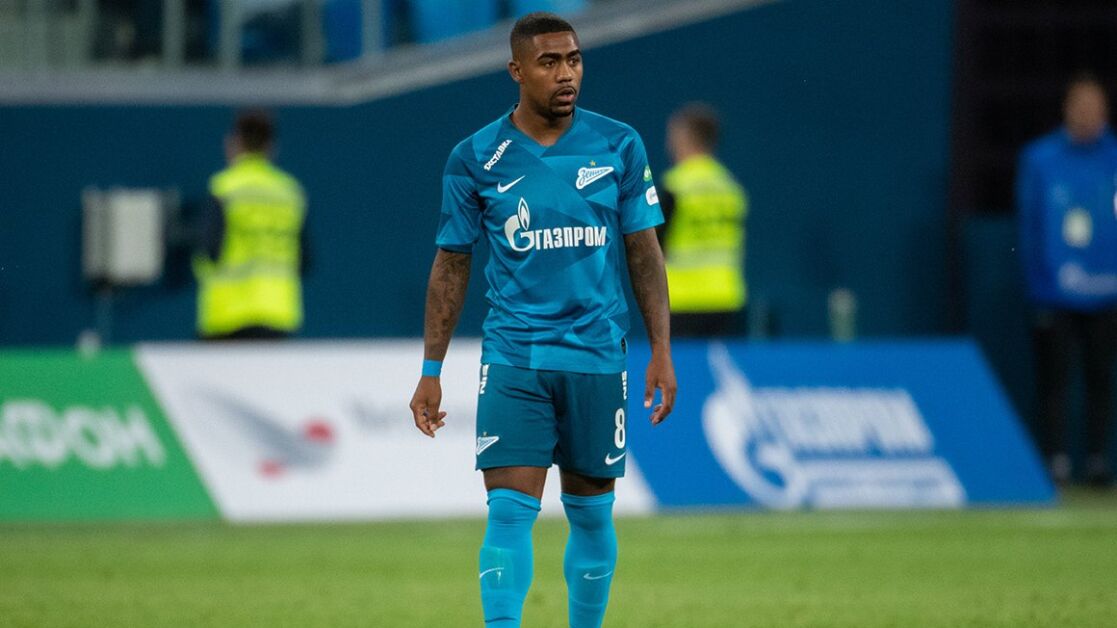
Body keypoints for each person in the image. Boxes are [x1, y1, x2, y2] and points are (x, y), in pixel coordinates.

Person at [408, 12, 676, 628]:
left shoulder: (620, 145)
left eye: (574, 60)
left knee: (592, 516)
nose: (566, 74)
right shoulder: (475, 157)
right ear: (517, 71)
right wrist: (431, 369)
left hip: (597, 357)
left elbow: (644, 253)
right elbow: (451, 265)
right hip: (515, 358)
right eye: (549, 62)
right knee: (508, 514)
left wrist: (661, 349)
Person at [1017, 73, 1117, 487]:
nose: (1088, 114)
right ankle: (1055, 460)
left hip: (1107, 293)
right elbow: (1030, 224)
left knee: (1101, 378)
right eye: (1081, 105)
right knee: (1054, 380)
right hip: (1054, 293)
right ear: (1067, 109)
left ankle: (1096, 460)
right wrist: (1041, 284)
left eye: (1096, 106)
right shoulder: (1041, 158)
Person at [194, 110, 308, 340]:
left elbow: (208, 249)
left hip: (227, 314)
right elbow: (305, 260)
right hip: (277, 313)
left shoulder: (224, 188)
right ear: (271, 147)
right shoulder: (290, 193)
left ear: (234, 143)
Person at [659, 102, 748, 337]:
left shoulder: (675, 186)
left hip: (683, 300)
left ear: (684, 137)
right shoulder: (730, 187)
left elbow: (653, 247)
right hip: (726, 297)